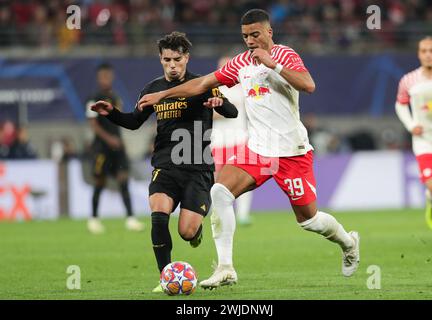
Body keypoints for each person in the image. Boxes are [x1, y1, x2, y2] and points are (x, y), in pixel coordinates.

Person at [137, 9, 360, 289]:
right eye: (245, 36)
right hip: (256, 150)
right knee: (219, 192)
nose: (250, 41)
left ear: (269, 32)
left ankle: (349, 242)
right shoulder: (241, 62)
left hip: (291, 152)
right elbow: (204, 83)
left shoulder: (286, 55)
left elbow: (309, 85)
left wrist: (273, 65)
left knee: (309, 220)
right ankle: (226, 267)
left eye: (255, 34)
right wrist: (163, 94)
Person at [89, 32, 238, 292]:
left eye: (177, 59)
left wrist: (219, 103)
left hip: (198, 168)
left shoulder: (202, 83)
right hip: (165, 166)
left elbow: (232, 111)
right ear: (160, 59)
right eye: (167, 59)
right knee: (158, 217)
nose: (172, 64)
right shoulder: (152, 89)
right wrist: (111, 113)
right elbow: (133, 122)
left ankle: (196, 232)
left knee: (187, 232)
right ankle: (165, 276)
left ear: (186, 58)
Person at [395, 36, 432, 246]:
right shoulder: (409, 80)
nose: (428, 54)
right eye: (424, 51)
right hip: (424, 141)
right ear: (419, 54)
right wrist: (411, 125)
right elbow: (400, 104)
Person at [85, 63, 145, 234]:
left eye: (108, 75)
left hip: (117, 146)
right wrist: (109, 139)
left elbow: (118, 120)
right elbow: (93, 124)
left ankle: (131, 219)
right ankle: (94, 219)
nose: (106, 79)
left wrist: (120, 139)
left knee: (123, 180)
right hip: (102, 148)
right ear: (98, 78)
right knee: (100, 182)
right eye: (103, 76)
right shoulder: (93, 98)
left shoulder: (116, 97)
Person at [211, 56, 253, 225]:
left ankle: (243, 214)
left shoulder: (244, 87)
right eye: (223, 67)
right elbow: (208, 113)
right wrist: (224, 112)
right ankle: (217, 213)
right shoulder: (215, 89)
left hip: (240, 139)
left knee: (245, 178)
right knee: (216, 180)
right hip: (219, 141)